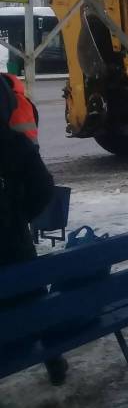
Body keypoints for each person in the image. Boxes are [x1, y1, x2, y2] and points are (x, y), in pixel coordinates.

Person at [0, 75, 68, 385]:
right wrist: (16, 216)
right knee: (31, 294)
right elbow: (43, 187)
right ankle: (53, 356)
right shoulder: (14, 138)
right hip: (13, 237)